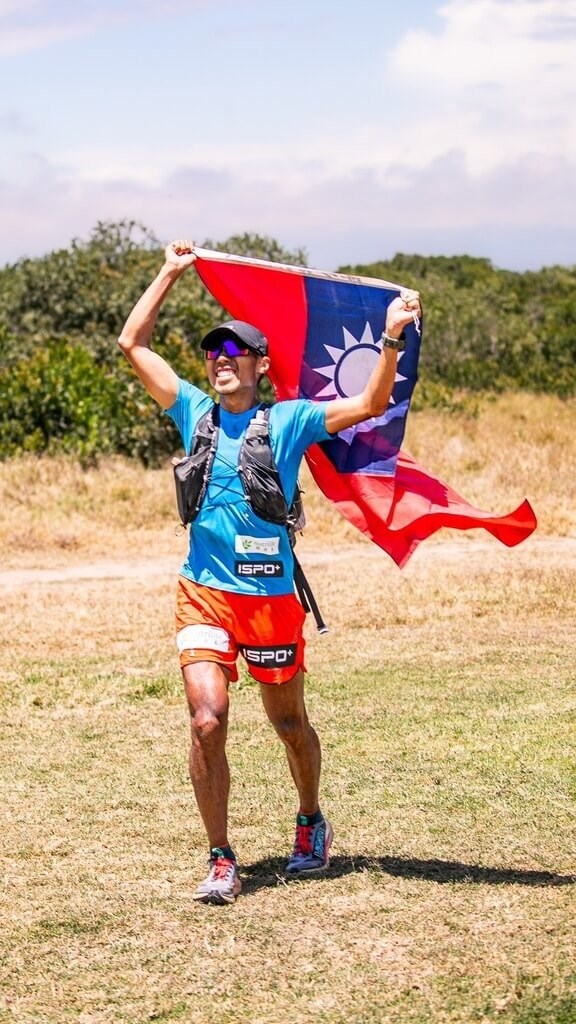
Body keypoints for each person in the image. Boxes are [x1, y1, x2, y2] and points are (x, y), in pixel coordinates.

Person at [118, 240, 421, 905]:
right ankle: (221, 857)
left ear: (259, 365)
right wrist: (170, 272)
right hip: (203, 596)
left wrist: (393, 336)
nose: (220, 364)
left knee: (288, 725)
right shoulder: (192, 412)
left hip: (270, 601)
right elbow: (132, 343)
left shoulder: (290, 420)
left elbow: (369, 403)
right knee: (206, 719)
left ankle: (310, 819)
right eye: (213, 355)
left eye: (234, 355)